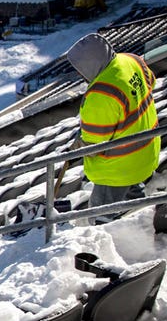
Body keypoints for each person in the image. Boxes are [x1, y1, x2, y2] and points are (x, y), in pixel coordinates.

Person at [65, 33, 159, 217]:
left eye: (79, 68)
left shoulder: (101, 94)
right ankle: (141, 222)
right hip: (146, 151)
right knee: (135, 200)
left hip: (118, 168)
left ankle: (109, 239)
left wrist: (78, 144)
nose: (79, 73)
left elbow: (94, 146)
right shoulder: (131, 60)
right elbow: (151, 83)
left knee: (101, 214)